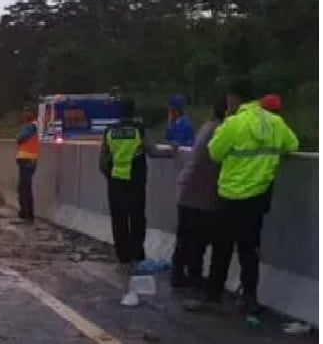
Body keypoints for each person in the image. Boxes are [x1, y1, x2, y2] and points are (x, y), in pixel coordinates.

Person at [203, 78, 298, 315]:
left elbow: (214, 153)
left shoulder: (234, 123)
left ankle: (213, 297)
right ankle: (250, 298)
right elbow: (292, 145)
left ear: (234, 98)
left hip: (230, 195)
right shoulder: (276, 122)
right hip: (258, 197)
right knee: (250, 250)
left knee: (222, 248)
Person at [99, 97, 175, 268]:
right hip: (135, 181)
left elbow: (102, 162)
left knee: (119, 220)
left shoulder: (109, 131)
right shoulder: (139, 130)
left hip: (116, 181)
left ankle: (122, 255)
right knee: (137, 219)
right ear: (134, 112)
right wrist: (171, 152)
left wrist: (111, 177)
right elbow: (153, 151)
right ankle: (136, 254)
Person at [171, 97, 224, 289]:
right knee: (197, 239)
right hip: (201, 193)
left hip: (188, 188)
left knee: (185, 237)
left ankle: (179, 275)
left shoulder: (206, 127)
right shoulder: (219, 131)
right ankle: (193, 277)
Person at [15, 107, 39, 222]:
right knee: (25, 188)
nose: (24, 114)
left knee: (23, 188)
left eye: (27, 112)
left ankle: (25, 214)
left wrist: (18, 136)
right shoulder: (31, 126)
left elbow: (20, 138)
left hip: (28, 161)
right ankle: (27, 214)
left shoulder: (31, 126)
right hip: (27, 160)